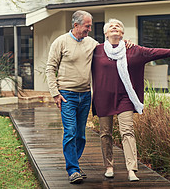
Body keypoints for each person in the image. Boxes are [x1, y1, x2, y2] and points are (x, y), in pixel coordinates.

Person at [91, 19, 170, 182]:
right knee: (105, 133)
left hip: (125, 97)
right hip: (103, 97)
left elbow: (154, 52)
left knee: (127, 131)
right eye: (111, 26)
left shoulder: (133, 50)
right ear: (105, 33)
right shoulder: (96, 51)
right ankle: (109, 166)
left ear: (122, 33)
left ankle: (131, 169)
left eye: (118, 26)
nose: (115, 28)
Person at [45, 11, 133, 184]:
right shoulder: (60, 42)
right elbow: (50, 68)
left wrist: (124, 42)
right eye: (87, 26)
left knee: (80, 135)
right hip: (66, 95)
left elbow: (110, 49)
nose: (90, 29)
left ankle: (74, 164)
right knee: (70, 132)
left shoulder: (92, 44)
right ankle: (73, 170)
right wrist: (55, 93)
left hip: (85, 95)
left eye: (90, 25)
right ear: (76, 25)